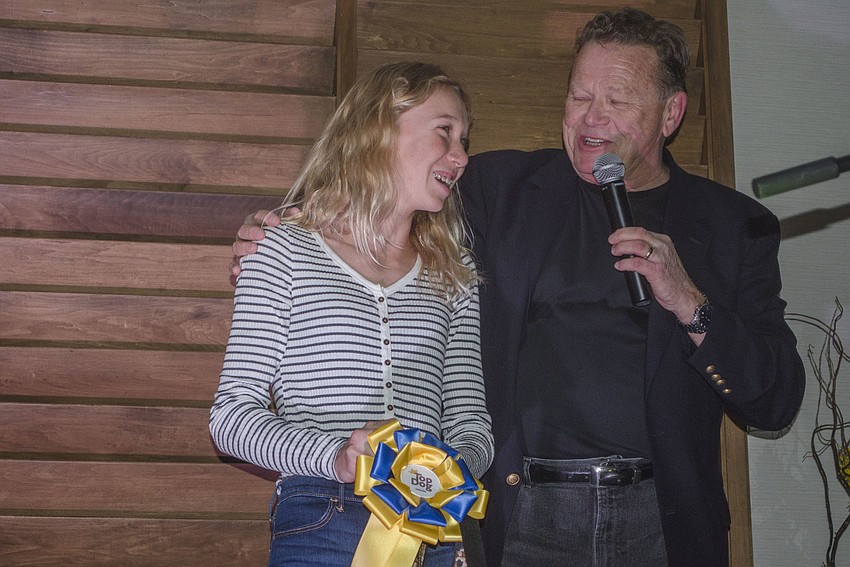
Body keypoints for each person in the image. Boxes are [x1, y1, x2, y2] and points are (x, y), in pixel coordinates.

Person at [231, 9, 805, 567]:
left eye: (617, 100)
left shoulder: (734, 227)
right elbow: (380, 189)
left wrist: (690, 302)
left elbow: (774, 402)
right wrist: (283, 228)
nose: (591, 118)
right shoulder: (495, 188)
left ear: (670, 113)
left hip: (661, 520)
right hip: (522, 517)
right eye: (579, 97)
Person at [210, 61, 494, 567]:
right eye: (445, 132)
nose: (461, 156)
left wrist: (444, 472)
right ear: (378, 130)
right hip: (321, 513)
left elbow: (471, 423)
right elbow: (231, 419)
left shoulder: (457, 271)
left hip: (432, 529)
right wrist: (337, 458)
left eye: (464, 140)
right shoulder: (282, 251)